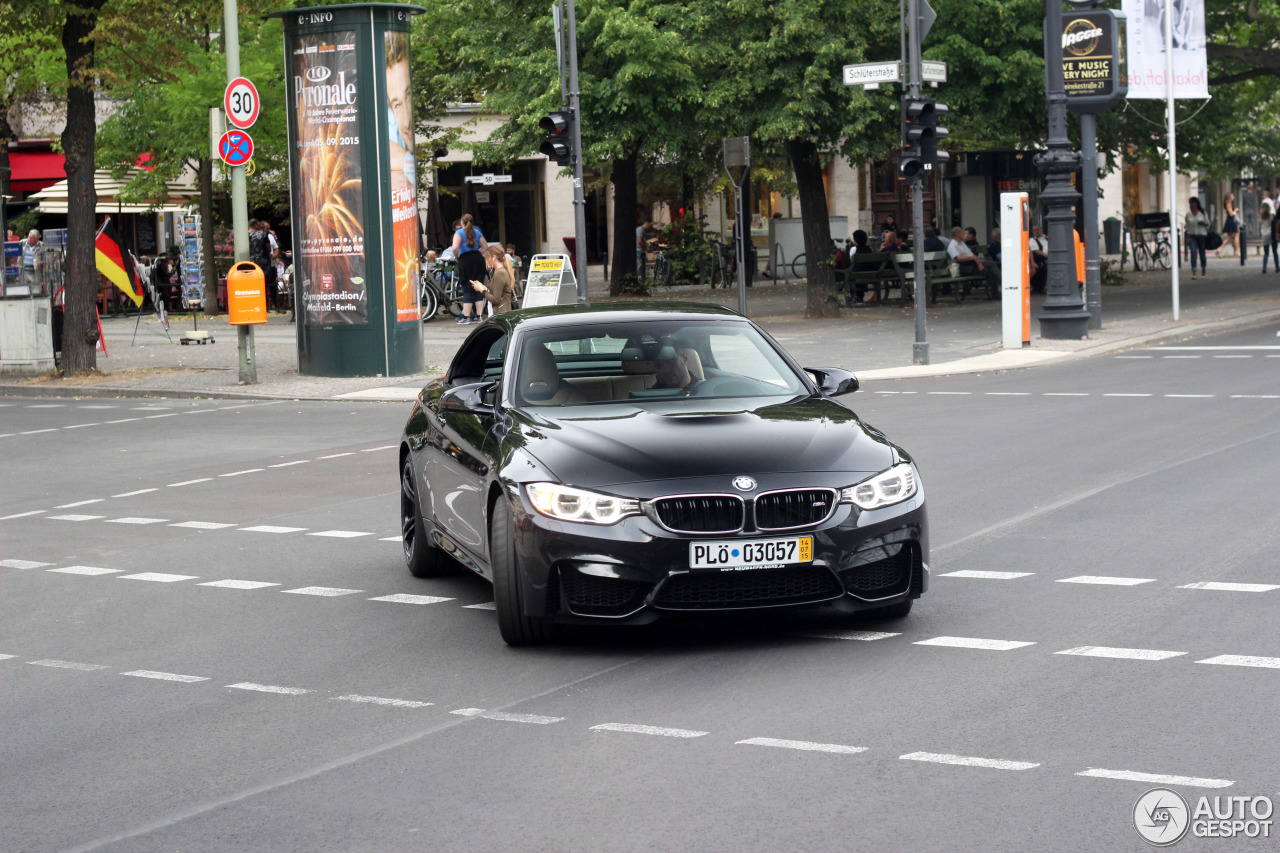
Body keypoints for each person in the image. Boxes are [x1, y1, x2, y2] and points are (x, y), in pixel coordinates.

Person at [451, 213, 488, 324]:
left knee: (467, 288)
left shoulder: (459, 232)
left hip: (465, 261)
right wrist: (476, 252)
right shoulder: (477, 232)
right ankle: (479, 316)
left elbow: (455, 247)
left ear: (462, 222)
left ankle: (466, 317)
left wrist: (457, 257)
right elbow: (485, 246)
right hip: (478, 260)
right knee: (478, 287)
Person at [470, 243, 517, 316]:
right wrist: (483, 288)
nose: (486, 261)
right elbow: (498, 293)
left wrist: (482, 290)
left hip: (500, 313)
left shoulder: (500, 273)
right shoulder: (501, 272)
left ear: (493, 257)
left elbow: (495, 300)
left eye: (487, 258)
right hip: (502, 312)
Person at [1185, 196, 1210, 278]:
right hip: (1192, 236)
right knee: (1193, 252)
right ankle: (1194, 271)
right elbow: (1187, 226)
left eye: (1192, 203)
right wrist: (1186, 237)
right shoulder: (1188, 214)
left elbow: (1208, 224)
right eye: (1190, 203)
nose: (1191, 205)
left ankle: (1203, 268)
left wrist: (1203, 223)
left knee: (1202, 253)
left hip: (1201, 235)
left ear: (1196, 203)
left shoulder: (1202, 213)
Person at [1028, 224, 1048, 293]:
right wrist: (1047, 256)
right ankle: (1038, 287)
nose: (1036, 232)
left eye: (1037, 230)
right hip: (1040, 258)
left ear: (1041, 230)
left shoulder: (1046, 238)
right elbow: (1036, 250)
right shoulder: (1032, 240)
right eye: (1034, 230)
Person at [1220, 192, 1239, 257]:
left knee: (1230, 237)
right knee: (1236, 235)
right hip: (1231, 221)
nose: (1233, 197)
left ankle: (1220, 249)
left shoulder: (1229, 203)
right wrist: (1235, 211)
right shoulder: (1228, 203)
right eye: (1232, 196)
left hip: (1230, 220)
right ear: (1230, 197)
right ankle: (1237, 251)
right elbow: (1231, 214)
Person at [1261, 190, 1276, 271]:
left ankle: (1264, 267)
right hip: (1271, 233)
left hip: (1264, 233)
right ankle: (1277, 266)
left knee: (1266, 253)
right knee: (1275, 252)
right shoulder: (1271, 216)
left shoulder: (1262, 216)